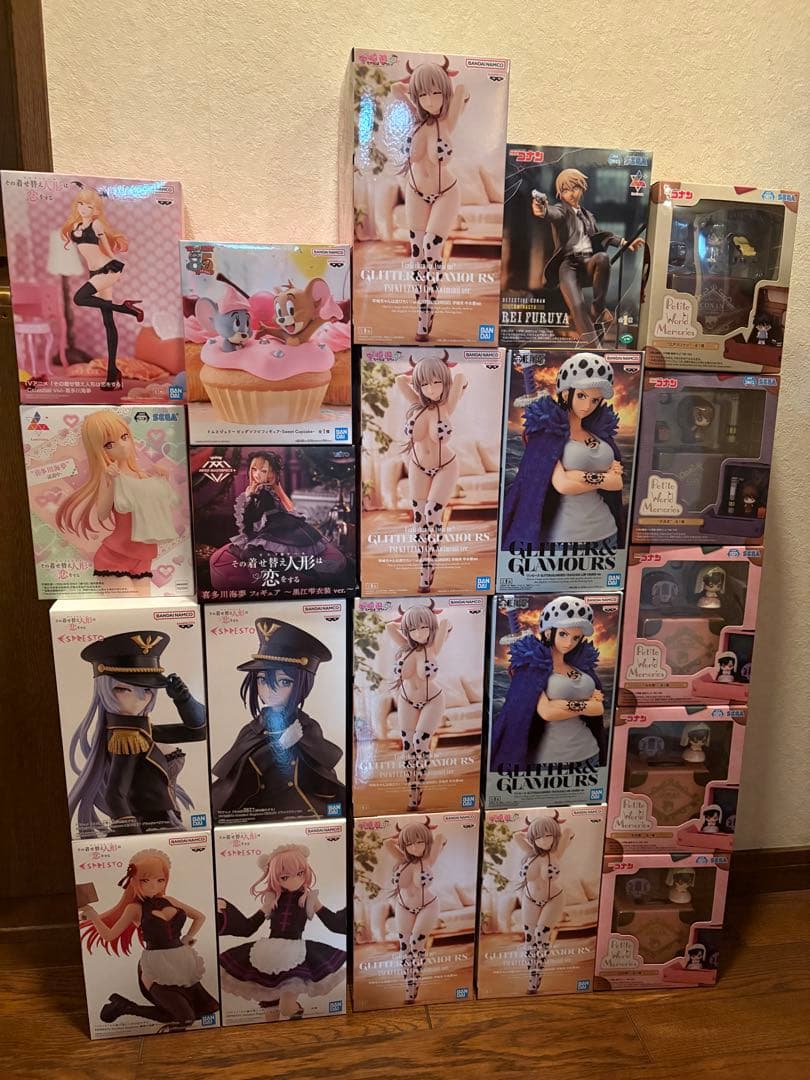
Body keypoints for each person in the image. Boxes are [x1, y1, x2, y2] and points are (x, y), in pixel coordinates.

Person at [69, 631, 206, 836]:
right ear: (104, 689)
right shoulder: (126, 737)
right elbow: (115, 795)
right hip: (150, 826)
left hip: (161, 822)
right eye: (124, 689)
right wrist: (134, 837)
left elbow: (197, 732)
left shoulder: (139, 731)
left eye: (147, 690)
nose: (140, 698)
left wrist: (184, 700)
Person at [211, 618, 345, 819]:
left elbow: (322, 773)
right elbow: (239, 776)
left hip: (306, 810)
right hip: (261, 811)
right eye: (262, 680)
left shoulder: (308, 728)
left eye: (283, 682)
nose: (269, 690)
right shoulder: (251, 731)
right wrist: (280, 746)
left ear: (303, 684)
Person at [79, 848, 218, 1032]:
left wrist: (187, 939)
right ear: (134, 881)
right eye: (146, 880)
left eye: (160, 880)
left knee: (206, 1011)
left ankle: (124, 1006)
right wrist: (92, 914)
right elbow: (109, 935)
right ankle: (129, 1008)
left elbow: (200, 917)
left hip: (183, 963)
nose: (154, 885)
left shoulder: (171, 900)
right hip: (156, 965)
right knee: (185, 1018)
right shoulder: (134, 909)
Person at [501, 353, 624, 558]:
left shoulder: (600, 435)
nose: (588, 405)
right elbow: (563, 485)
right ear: (566, 394)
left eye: (595, 400)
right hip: (565, 539)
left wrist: (577, 476)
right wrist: (605, 478)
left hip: (607, 533)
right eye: (582, 396)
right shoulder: (547, 436)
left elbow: (617, 483)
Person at [56, 410, 179, 595]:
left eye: (124, 437)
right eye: (109, 444)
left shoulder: (143, 475)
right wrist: (112, 482)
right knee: (129, 605)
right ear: (98, 450)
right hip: (114, 556)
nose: (122, 445)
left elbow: (159, 509)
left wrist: (162, 480)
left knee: (144, 607)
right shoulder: (110, 477)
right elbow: (102, 514)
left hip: (144, 557)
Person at [217, 845, 346, 1021]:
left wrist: (353, 909)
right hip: (267, 953)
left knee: (286, 1006)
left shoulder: (310, 898)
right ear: (274, 877)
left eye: (300, 873)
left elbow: (333, 923)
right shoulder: (272, 899)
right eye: (285, 877)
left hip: (295, 954)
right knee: (270, 1012)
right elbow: (248, 928)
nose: (294, 880)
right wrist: (227, 910)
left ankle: (296, 1014)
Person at [391, 57, 469, 340]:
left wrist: (441, 78)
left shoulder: (449, 119)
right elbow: (394, 88)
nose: (431, 100)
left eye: (437, 92)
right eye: (423, 94)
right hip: (415, 192)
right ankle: (422, 314)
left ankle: (429, 311)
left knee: (431, 247)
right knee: (417, 253)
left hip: (446, 193)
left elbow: (462, 90)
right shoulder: (414, 117)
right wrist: (416, 83)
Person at [490, 596, 606, 776]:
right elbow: (547, 712)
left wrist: (560, 705)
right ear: (549, 632)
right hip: (550, 761)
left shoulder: (581, 667)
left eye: (576, 637)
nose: (569, 642)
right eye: (563, 634)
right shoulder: (532, 669)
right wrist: (587, 705)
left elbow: (598, 708)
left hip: (590, 754)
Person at [530, 168, 644, 345]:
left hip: (587, 263)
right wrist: (541, 209)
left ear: (582, 188)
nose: (571, 194)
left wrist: (625, 243)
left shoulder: (589, 216)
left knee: (602, 258)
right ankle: (594, 346)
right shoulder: (561, 210)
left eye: (575, 188)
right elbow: (550, 213)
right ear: (560, 193)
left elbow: (602, 236)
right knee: (577, 307)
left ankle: (598, 309)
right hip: (568, 266)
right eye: (565, 190)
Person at [208, 450, 347, 590]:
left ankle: (301, 568)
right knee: (251, 551)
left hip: (278, 526)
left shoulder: (265, 490)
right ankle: (299, 568)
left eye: (263, 471)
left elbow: (280, 508)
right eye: (254, 469)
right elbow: (248, 518)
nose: (257, 474)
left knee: (252, 552)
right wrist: (250, 496)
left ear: (271, 473)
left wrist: (267, 494)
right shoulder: (255, 490)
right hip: (268, 525)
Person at [395, 352, 467, 592]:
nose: (432, 389)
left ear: (445, 382)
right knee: (419, 518)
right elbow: (399, 380)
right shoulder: (416, 402)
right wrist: (419, 373)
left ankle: (431, 566)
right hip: (417, 465)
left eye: (437, 382)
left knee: (432, 513)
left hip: (446, 466)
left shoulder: (448, 405)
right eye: (425, 384)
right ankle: (423, 570)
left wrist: (442, 372)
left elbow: (461, 378)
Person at [60, 185, 143, 389]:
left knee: (79, 298)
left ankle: (126, 308)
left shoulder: (96, 225)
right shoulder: (76, 226)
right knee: (108, 321)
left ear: (95, 210)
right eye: (80, 204)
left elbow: (105, 247)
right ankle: (112, 373)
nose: (83, 208)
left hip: (107, 269)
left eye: (88, 206)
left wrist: (115, 266)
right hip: (95, 273)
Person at [386, 601, 450, 810]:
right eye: (413, 629)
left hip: (433, 699)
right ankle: (412, 791)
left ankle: (419, 788)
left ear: (431, 627)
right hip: (406, 699)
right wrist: (407, 620)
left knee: (420, 742)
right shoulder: (405, 646)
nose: (419, 633)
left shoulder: (434, 647)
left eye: (424, 627)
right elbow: (388, 626)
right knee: (408, 746)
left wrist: (427, 616)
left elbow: (446, 622)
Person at [383, 818, 446, 1004]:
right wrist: (404, 835)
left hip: (428, 905)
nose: (415, 847)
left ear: (426, 841)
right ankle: (409, 986)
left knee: (416, 943)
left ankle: (415, 983)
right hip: (403, 906)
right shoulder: (401, 859)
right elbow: (387, 842)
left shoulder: (429, 859)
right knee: (405, 947)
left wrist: (423, 831)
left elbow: (441, 836)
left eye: (419, 842)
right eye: (409, 844)